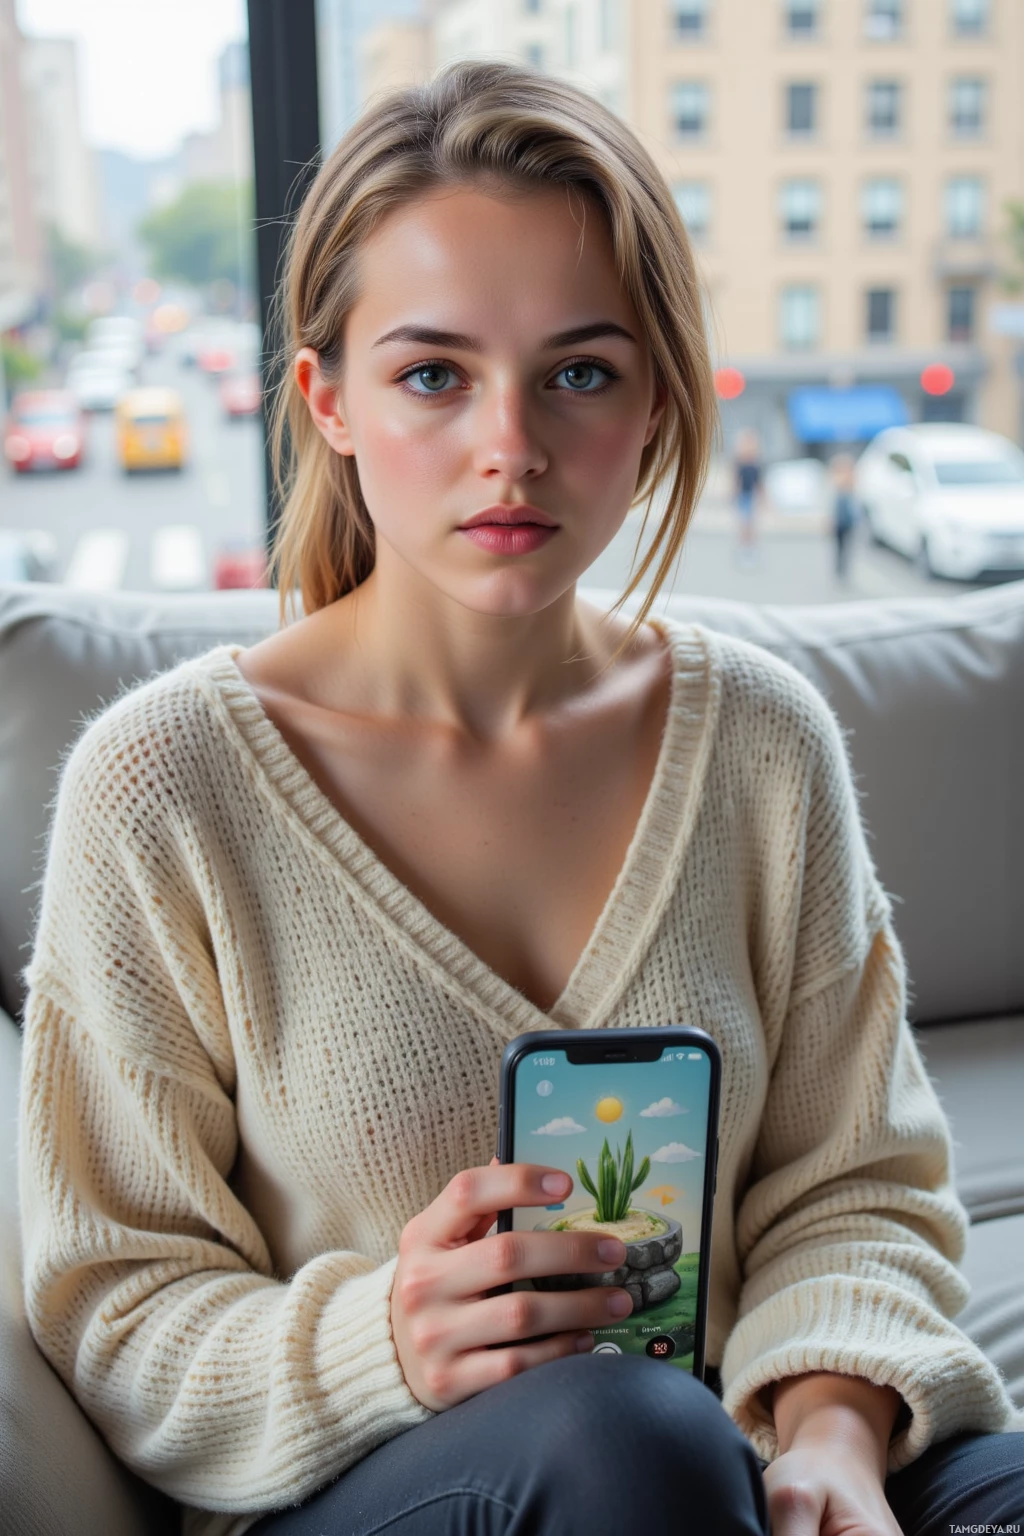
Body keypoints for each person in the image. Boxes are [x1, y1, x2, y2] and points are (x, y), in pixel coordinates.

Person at [17, 59, 1023, 1536]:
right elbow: (116, 1306)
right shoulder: (162, 790)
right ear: (328, 400)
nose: (514, 444)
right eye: (433, 373)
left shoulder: (760, 743)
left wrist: (830, 1431)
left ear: (659, 399)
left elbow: (857, 1184)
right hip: (381, 1484)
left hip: (733, 1456)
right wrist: (385, 1343)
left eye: (581, 370)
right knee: (629, 1440)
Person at [733, 427, 764, 566]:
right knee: (744, 523)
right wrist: (733, 493)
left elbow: (759, 483)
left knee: (751, 524)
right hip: (743, 496)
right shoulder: (740, 465)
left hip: (751, 496)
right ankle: (744, 549)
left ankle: (751, 549)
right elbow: (737, 481)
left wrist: (763, 497)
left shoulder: (755, 466)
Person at [830, 451, 860, 583]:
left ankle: (843, 569)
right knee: (840, 547)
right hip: (840, 522)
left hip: (848, 521)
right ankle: (839, 569)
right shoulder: (838, 485)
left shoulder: (851, 484)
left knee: (846, 547)